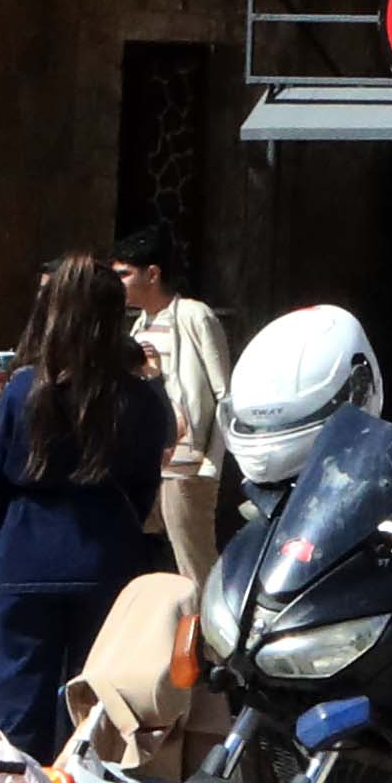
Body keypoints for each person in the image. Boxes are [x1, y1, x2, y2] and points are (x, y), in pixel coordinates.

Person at [0, 256, 170, 760]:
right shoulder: (138, 397)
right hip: (107, 552)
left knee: (15, 703)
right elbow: (143, 484)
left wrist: (15, 534)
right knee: (92, 701)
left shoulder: (22, 389)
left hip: (25, 551)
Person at [115, 237, 232, 582]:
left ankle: (209, 635)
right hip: (148, 463)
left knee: (193, 561)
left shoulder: (194, 316)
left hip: (186, 465)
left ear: (152, 274)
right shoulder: (138, 326)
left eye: (125, 274)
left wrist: (211, 462)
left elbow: (224, 393)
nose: (118, 283)